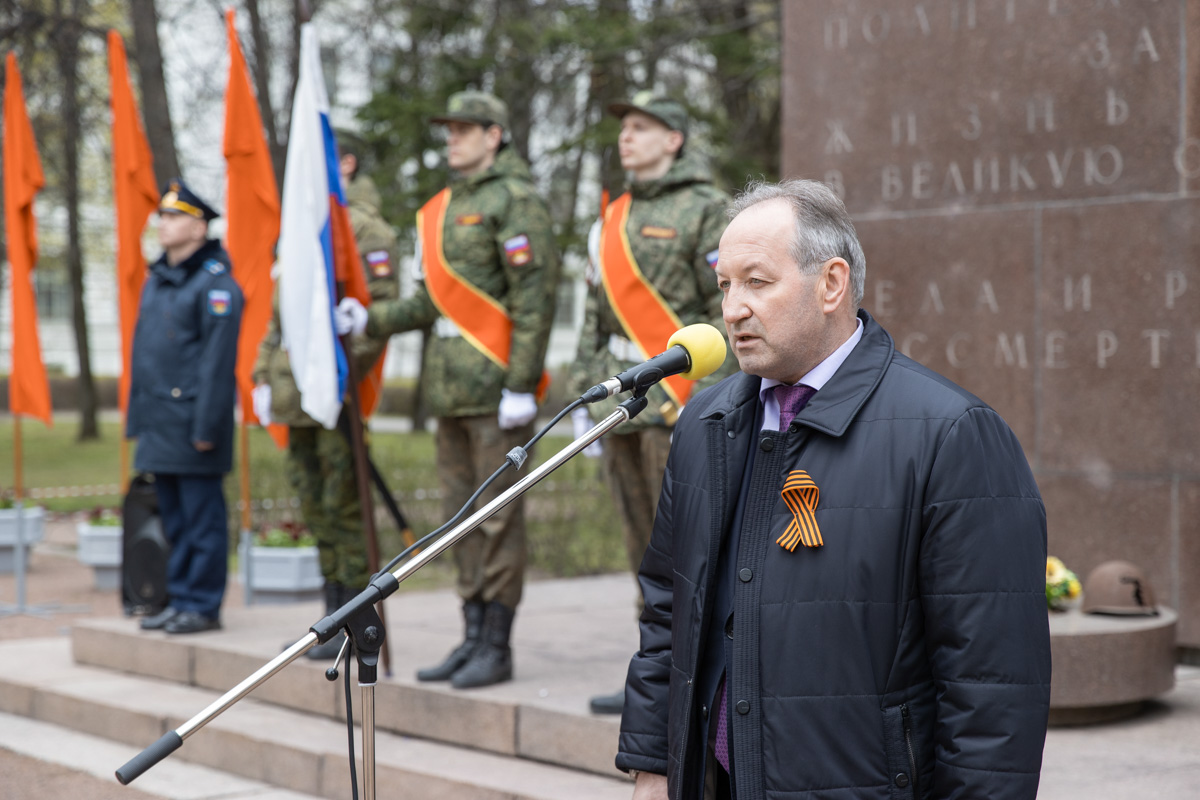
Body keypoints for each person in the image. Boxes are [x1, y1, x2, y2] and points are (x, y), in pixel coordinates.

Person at [616, 179, 1051, 799]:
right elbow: (666, 613)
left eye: (757, 282)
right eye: (725, 285)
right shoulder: (703, 424)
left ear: (831, 284)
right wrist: (653, 767)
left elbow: (994, 685)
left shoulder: (952, 435)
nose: (733, 307)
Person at [337, 91, 560, 689]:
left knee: (496, 519)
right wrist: (370, 319)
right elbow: (427, 304)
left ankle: (497, 643)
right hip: (450, 393)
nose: (451, 138)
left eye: (464, 129)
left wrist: (520, 384)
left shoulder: (516, 200)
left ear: (495, 135)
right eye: (448, 129)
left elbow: (534, 303)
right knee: (459, 520)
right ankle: (470, 635)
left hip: (496, 394)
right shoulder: (437, 209)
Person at [569, 92, 732, 715]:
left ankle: (697, 676)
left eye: (642, 127)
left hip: (679, 404)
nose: (626, 137)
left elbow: (724, 310)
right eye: (623, 128)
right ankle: (655, 671)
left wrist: (706, 399)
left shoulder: (706, 209)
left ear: (675, 139)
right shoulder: (610, 218)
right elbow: (592, 318)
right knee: (642, 545)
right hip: (624, 403)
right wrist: (587, 387)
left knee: (686, 544)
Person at [252, 129, 399, 659]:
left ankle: (357, 621)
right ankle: (330, 615)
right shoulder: (302, 226)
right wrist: (262, 375)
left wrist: (337, 377)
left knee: (343, 511)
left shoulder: (364, 230)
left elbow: (373, 317)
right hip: (295, 395)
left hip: (334, 396)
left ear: (348, 164)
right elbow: (280, 316)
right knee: (315, 507)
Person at [129, 179, 244, 635]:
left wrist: (207, 427)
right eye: (163, 214)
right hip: (161, 424)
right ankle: (178, 598)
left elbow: (216, 366)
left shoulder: (215, 285)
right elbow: (147, 357)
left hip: (195, 424)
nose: (164, 222)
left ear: (199, 229)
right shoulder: (158, 280)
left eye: (175, 216)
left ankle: (202, 604)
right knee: (174, 521)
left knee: (202, 522)